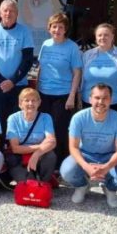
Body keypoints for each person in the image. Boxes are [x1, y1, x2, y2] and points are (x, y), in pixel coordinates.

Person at [60, 83, 117, 208]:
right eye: (97, 98)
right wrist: (86, 167)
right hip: (85, 154)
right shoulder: (78, 118)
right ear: (90, 99)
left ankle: (109, 188)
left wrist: (106, 167)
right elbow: (73, 147)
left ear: (111, 100)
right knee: (67, 171)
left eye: (105, 98)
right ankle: (82, 185)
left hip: (109, 156)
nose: (101, 102)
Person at [0, 0, 35, 127]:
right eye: (5, 10)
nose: (8, 13)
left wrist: (12, 81)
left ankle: (14, 142)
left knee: (17, 122)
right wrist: (1, 81)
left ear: (17, 14)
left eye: (12, 11)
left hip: (18, 85)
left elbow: (27, 60)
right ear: (0, 13)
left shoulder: (25, 32)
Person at [36, 12, 81, 160]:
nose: (57, 30)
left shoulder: (72, 47)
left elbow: (77, 73)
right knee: (45, 129)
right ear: (49, 28)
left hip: (62, 95)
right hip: (43, 93)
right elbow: (41, 68)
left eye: (60, 27)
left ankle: (60, 162)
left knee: (59, 129)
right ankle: (45, 160)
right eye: (54, 26)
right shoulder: (45, 45)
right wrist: (36, 91)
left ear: (65, 29)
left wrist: (72, 96)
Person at [81, 23, 117, 116]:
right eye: (99, 35)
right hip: (89, 103)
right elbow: (80, 80)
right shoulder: (87, 55)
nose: (102, 37)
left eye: (106, 35)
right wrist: (78, 99)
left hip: (116, 104)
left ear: (112, 37)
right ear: (95, 37)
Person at [6, 87, 58, 185]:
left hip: (40, 156)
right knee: (29, 183)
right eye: (27, 100)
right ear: (20, 103)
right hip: (19, 159)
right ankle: (32, 179)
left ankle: (43, 183)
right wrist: (40, 147)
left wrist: (36, 154)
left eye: (34, 100)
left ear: (39, 103)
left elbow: (52, 142)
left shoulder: (46, 117)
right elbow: (15, 148)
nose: (30, 103)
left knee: (50, 155)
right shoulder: (13, 119)